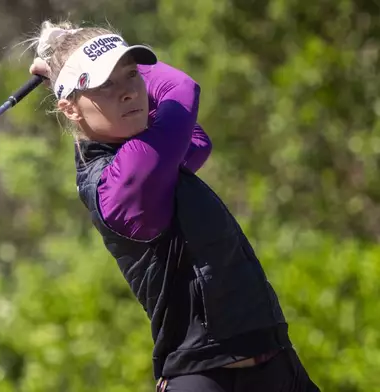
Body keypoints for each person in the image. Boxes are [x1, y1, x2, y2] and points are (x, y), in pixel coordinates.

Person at [26, 20, 321, 392]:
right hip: (206, 379)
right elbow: (181, 89)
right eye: (104, 84)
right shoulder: (120, 182)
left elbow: (197, 139)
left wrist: (74, 54)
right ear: (70, 109)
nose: (130, 92)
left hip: (277, 364)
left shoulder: (157, 159)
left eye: (131, 75)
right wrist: (64, 62)